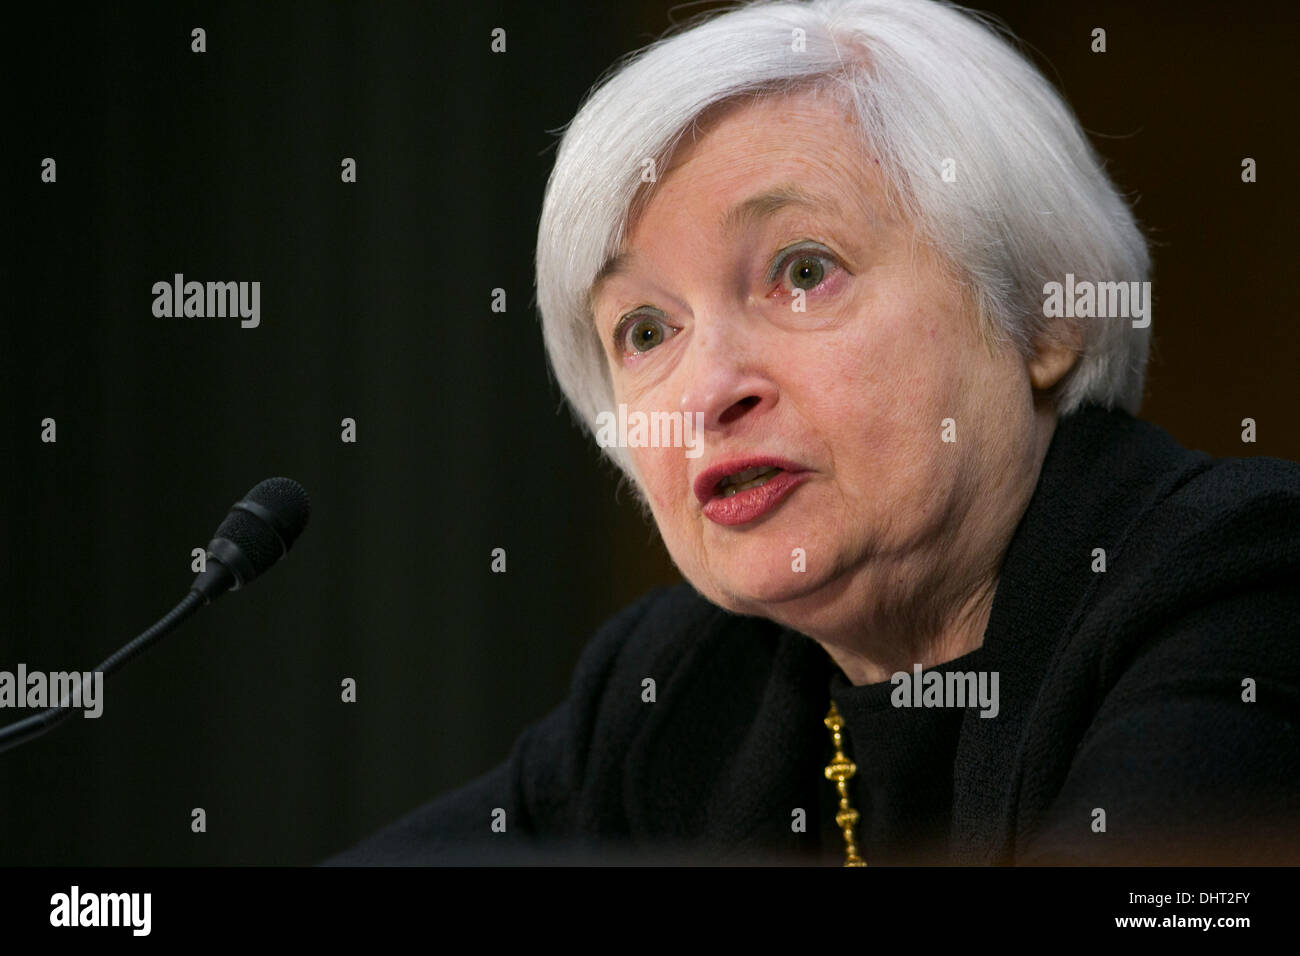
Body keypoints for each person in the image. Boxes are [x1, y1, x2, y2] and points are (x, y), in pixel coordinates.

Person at [326, 0, 1300, 866]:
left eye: (801, 270)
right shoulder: (679, 682)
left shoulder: (1240, 577)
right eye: (646, 329)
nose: (706, 388)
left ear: (1043, 313)